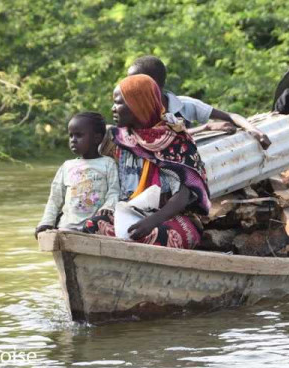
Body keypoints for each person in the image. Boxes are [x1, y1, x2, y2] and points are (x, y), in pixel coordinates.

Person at [84, 74, 211, 249]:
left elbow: (185, 195)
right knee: (93, 226)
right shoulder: (117, 138)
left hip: (170, 218)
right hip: (128, 213)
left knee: (151, 238)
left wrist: (151, 222)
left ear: (138, 105)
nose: (113, 108)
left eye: (119, 103)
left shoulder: (176, 142)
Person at [127, 55, 271, 149]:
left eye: (135, 82)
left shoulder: (184, 105)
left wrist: (255, 130)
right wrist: (205, 128)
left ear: (154, 83)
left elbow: (231, 116)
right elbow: (159, 139)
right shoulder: (134, 114)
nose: (129, 87)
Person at [34, 113, 120, 238]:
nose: (73, 140)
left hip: (94, 227)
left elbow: (114, 190)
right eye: (71, 136)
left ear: (97, 138)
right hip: (67, 226)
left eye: (79, 135)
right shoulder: (67, 166)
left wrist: (109, 207)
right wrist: (46, 222)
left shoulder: (108, 163)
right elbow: (55, 199)